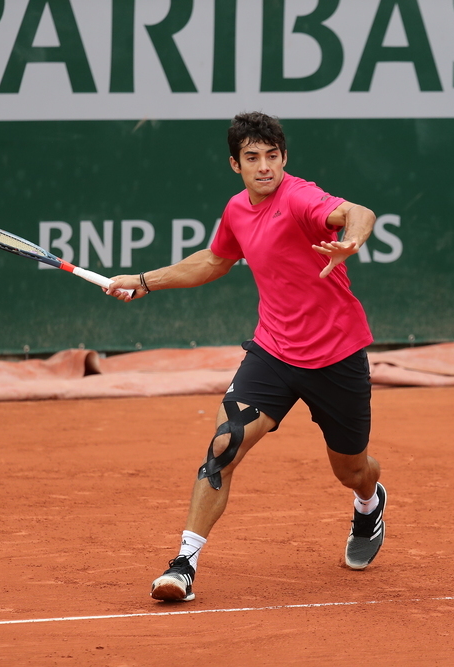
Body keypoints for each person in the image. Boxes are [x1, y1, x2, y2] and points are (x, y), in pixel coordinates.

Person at [105, 112, 386, 601]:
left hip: (336, 357)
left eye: (272, 157)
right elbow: (214, 260)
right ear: (235, 164)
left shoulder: (300, 198)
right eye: (252, 158)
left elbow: (358, 211)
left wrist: (352, 240)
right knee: (223, 446)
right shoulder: (237, 209)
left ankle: (369, 502)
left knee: (351, 468)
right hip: (274, 353)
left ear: (284, 159)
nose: (264, 167)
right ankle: (183, 565)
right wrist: (146, 281)